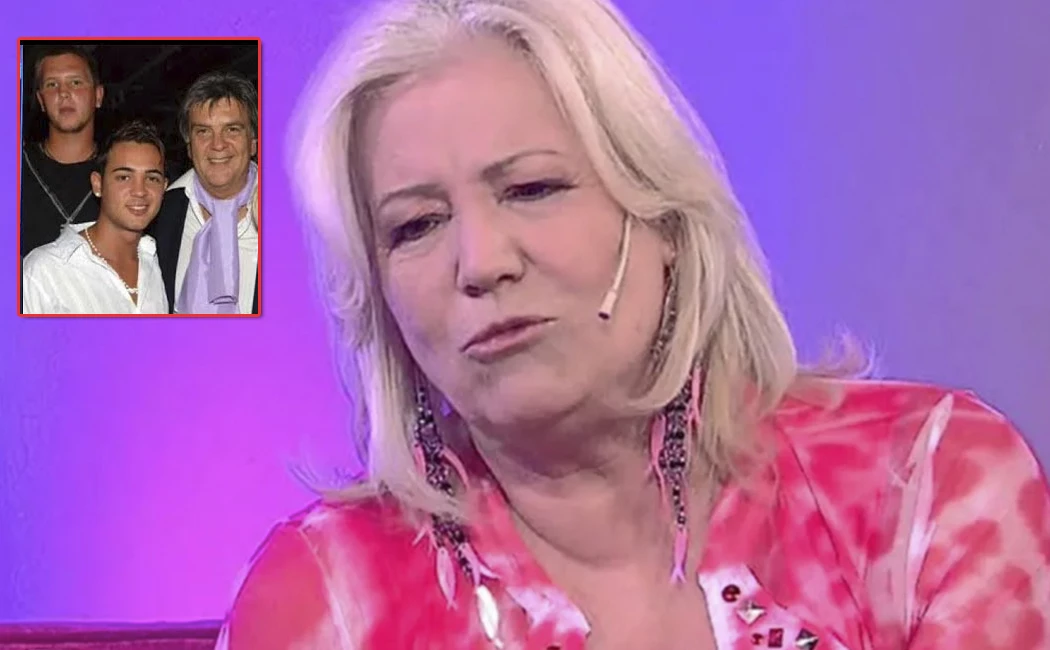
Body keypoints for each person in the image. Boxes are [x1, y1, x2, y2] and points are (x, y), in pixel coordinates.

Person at [217, 0, 1050, 648]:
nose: (480, 262)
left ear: (664, 223)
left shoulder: (927, 485)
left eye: (532, 189)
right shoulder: (329, 597)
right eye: (416, 226)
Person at [23, 121, 168, 315]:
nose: (140, 191)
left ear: (164, 188)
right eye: (124, 177)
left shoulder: (156, 262)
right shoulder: (46, 271)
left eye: (152, 178)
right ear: (98, 184)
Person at [148, 70, 259, 315]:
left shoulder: (290, 213)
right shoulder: (159, 212)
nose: (218, 144)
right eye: (203, 131)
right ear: (189, 147)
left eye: (232, 129)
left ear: (253, 142)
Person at [20, 45, 103, 258]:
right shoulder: (14, 169)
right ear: (41, 101)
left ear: (98, 95)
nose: (63, 93)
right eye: (52, 84)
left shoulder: (120, 171)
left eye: (75, 82)